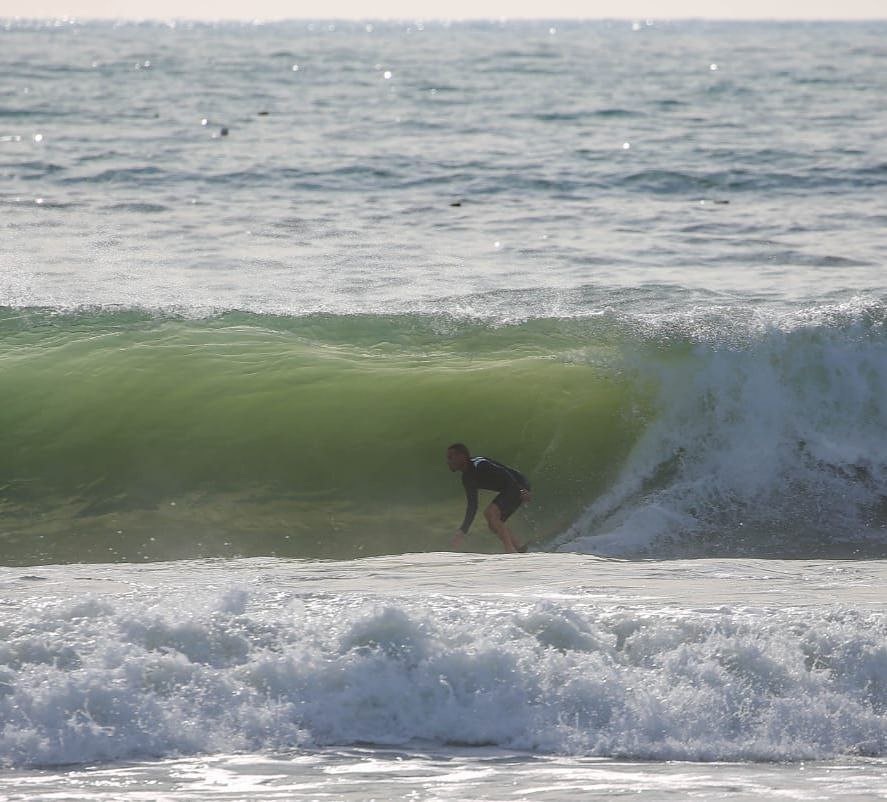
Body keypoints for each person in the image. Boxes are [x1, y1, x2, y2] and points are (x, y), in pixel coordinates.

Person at [446, 443, 531, 553]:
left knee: (491, 513)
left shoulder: (480, 464)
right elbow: (472, 506)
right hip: (509, 488)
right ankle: (519, 548)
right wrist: (463, 531)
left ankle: (510, 550)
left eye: (450, 457)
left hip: (517, 483)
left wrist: (523, 489)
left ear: (461, 456)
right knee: (493, 524)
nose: (448, 461)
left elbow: (506, 473)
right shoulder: (467, 478)